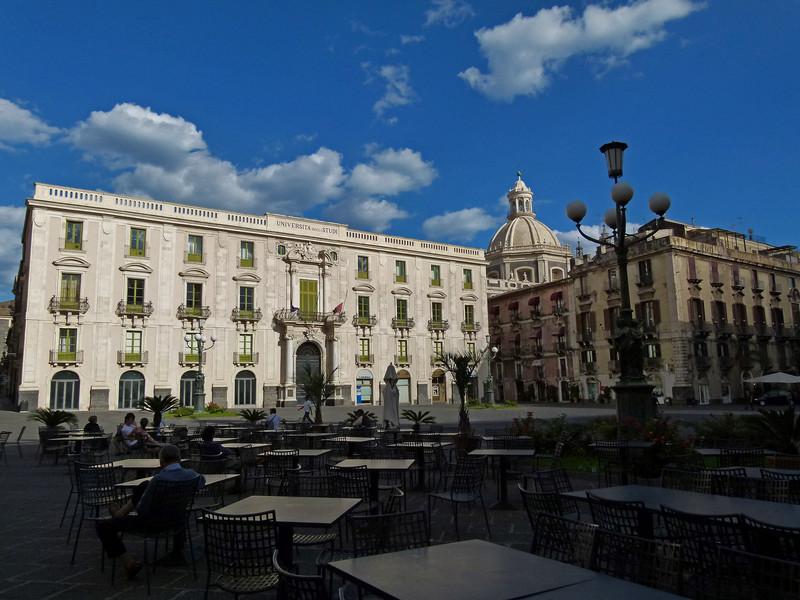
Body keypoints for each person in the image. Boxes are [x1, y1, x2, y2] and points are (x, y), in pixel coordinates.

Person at [96, 444, 205, 578]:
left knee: (103, 526)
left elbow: (142, 510)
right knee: (144, 485)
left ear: (162, 460)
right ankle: (120, 514)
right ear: (179, 459)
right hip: (177, 521)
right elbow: (202, 482)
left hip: (152, 524)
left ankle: (128, 562)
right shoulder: (192, 475)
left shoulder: (158, 480)